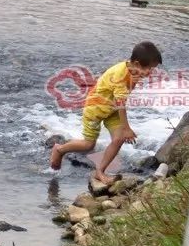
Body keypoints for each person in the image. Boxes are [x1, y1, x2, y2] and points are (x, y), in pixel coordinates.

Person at [48, 41, 162, 183]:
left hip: (111, 109)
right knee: (89, 145)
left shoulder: (133, 70)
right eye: (150, 68)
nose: (151, 72)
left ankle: (99, 171)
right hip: (95, 109)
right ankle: (59, 149)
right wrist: (126, 128)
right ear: (137, 64)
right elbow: (121, 104)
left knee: (118, 139)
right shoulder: (120, 75)